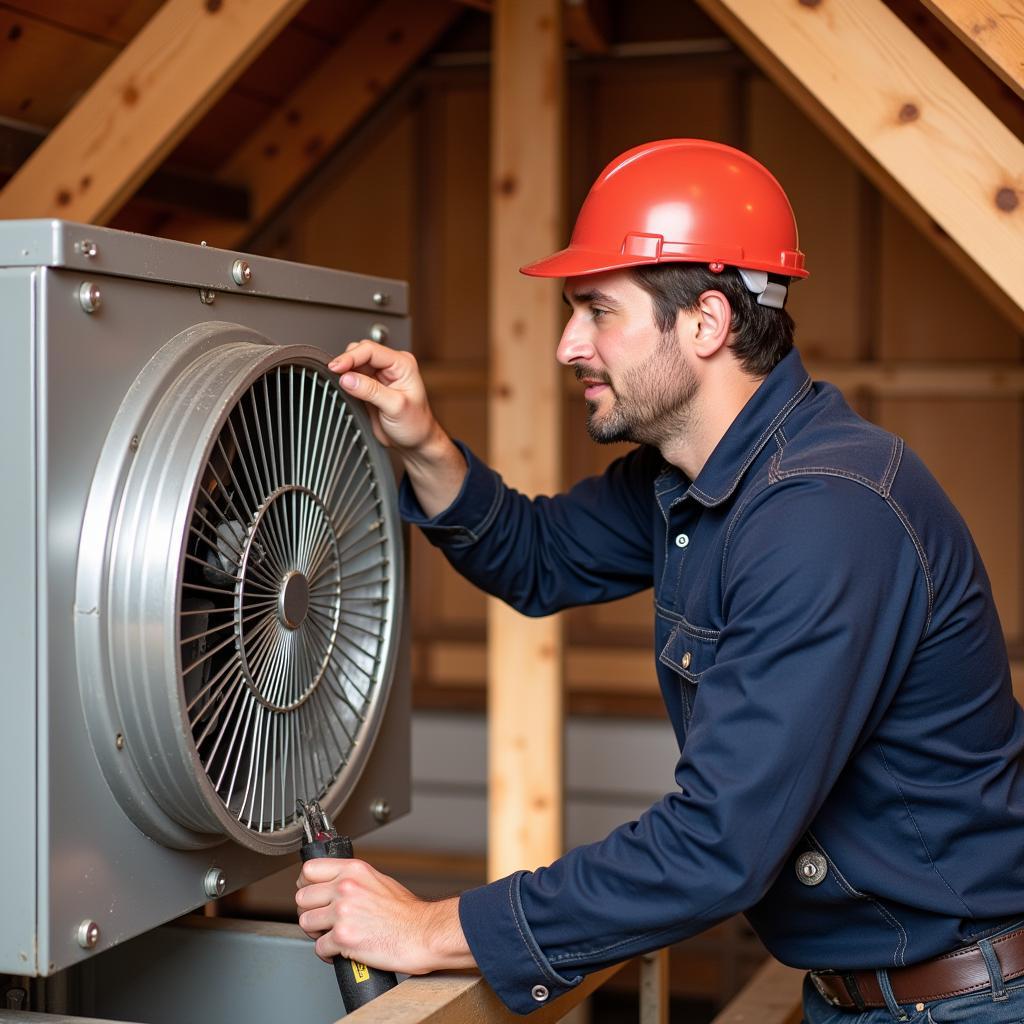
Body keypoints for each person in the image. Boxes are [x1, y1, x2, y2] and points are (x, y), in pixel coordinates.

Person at [295, 139, 1024, 1022]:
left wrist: (430, 928)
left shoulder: (825, 514)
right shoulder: (690, 477)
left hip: (961, 1003)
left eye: (598, 311)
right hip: (863, 995)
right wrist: (425, 446)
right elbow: (538, 557)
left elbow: (716, 848)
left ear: (707, 323)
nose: (567, 345)